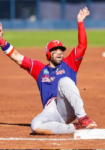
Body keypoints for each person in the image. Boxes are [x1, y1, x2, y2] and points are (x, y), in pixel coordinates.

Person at [0, 7, 97, 135]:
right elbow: (18, 58)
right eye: (55, 51)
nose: (59, 53)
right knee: (36, 125)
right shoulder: (39, 69)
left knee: (64, 81)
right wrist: (1, 40)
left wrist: (80, 22)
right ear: (48, 54)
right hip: (52, 111)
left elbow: (82, 46)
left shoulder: (70, 64)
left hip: (69, 107)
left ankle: (83, 118)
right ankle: (73, 128)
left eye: (61, 51)